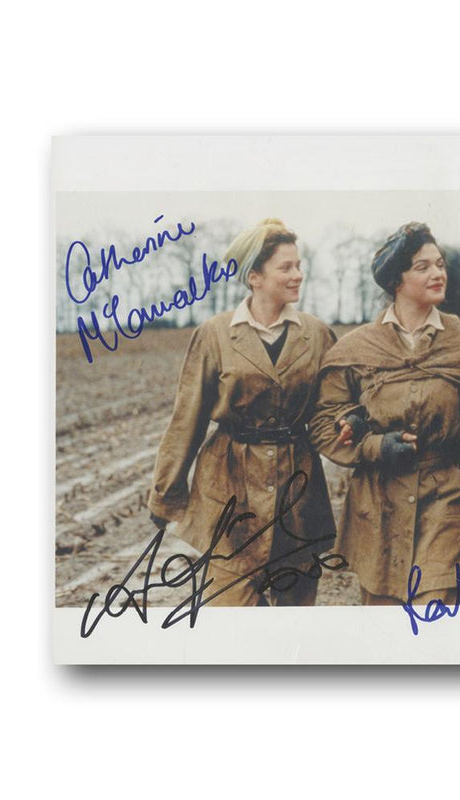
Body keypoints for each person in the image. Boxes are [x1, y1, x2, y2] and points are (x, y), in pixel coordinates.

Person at [147, 218, 337, 606]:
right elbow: (187, 419)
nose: (298, 275)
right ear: (254, 277)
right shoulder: (214, 334)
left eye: (299, 266)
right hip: (229, 490)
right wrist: (165, 494)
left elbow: (336, 406)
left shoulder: (316, 333)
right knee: (230, 620)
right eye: (286, 267)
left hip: (299, 493)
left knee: (294, 621)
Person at [309, 222, 460, 606]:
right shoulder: (357, 348)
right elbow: (324, 424)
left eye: (440, 264)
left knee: (435, 613)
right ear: (396, 281)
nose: (438, 273)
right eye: (422, 267)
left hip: (448, 501)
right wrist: (373, 446)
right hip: (378, 504)